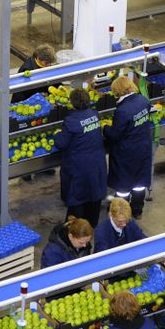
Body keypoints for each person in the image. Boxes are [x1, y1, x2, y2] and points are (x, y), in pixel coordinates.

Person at [54, 87, 107, 227]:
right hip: (96, 163)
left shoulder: (71, 121)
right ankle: (91, 225)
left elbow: (62, 143)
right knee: (94, 196)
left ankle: (74, 230)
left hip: (79, 168)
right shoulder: (94, 114)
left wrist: (56, 134)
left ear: (72, 103)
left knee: (77, 201)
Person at [104, 76, 154, 219]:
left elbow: (115, 135)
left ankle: (121, 213)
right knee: (139, 183)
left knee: (123, 187)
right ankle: (137, 210)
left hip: (126, 155)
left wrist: (105, 128)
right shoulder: (143, 101)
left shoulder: (123, 111)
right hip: (143, 149)